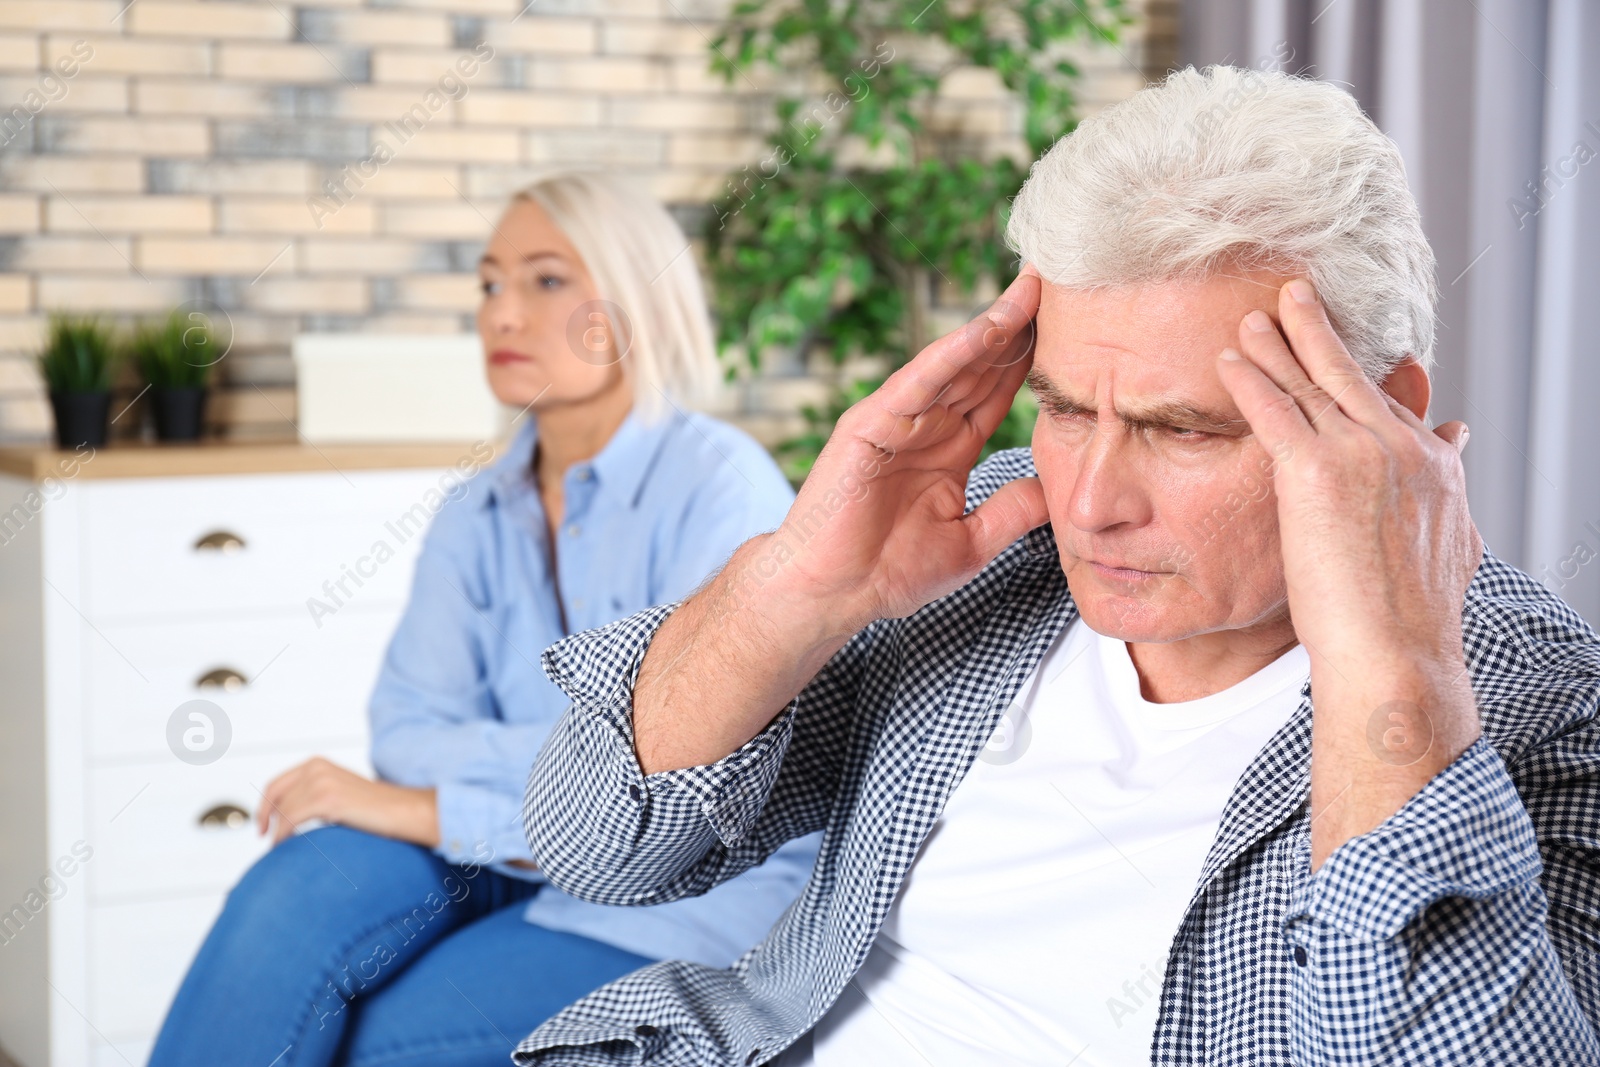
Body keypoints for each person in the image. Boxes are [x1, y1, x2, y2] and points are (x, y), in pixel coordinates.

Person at [513, 67, 1600, 1066]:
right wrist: (799, 581)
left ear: (1386, 414)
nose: (1088, 504)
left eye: (1185, 430)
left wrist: (1387, 658)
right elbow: (592, 843)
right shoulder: (996, 540)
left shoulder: (1538, 699)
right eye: (1068, 410)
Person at [149, 172, 821, 1067]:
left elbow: (680, 804)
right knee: (286, 895)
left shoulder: (721, 493)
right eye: (489, 283)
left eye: (546, 280)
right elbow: (407, 730)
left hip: (675, 901)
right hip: (488, 858)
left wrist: (457, 802)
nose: (502, 315)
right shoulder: (476, 510)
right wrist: (555, 775)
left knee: (374, 1042)